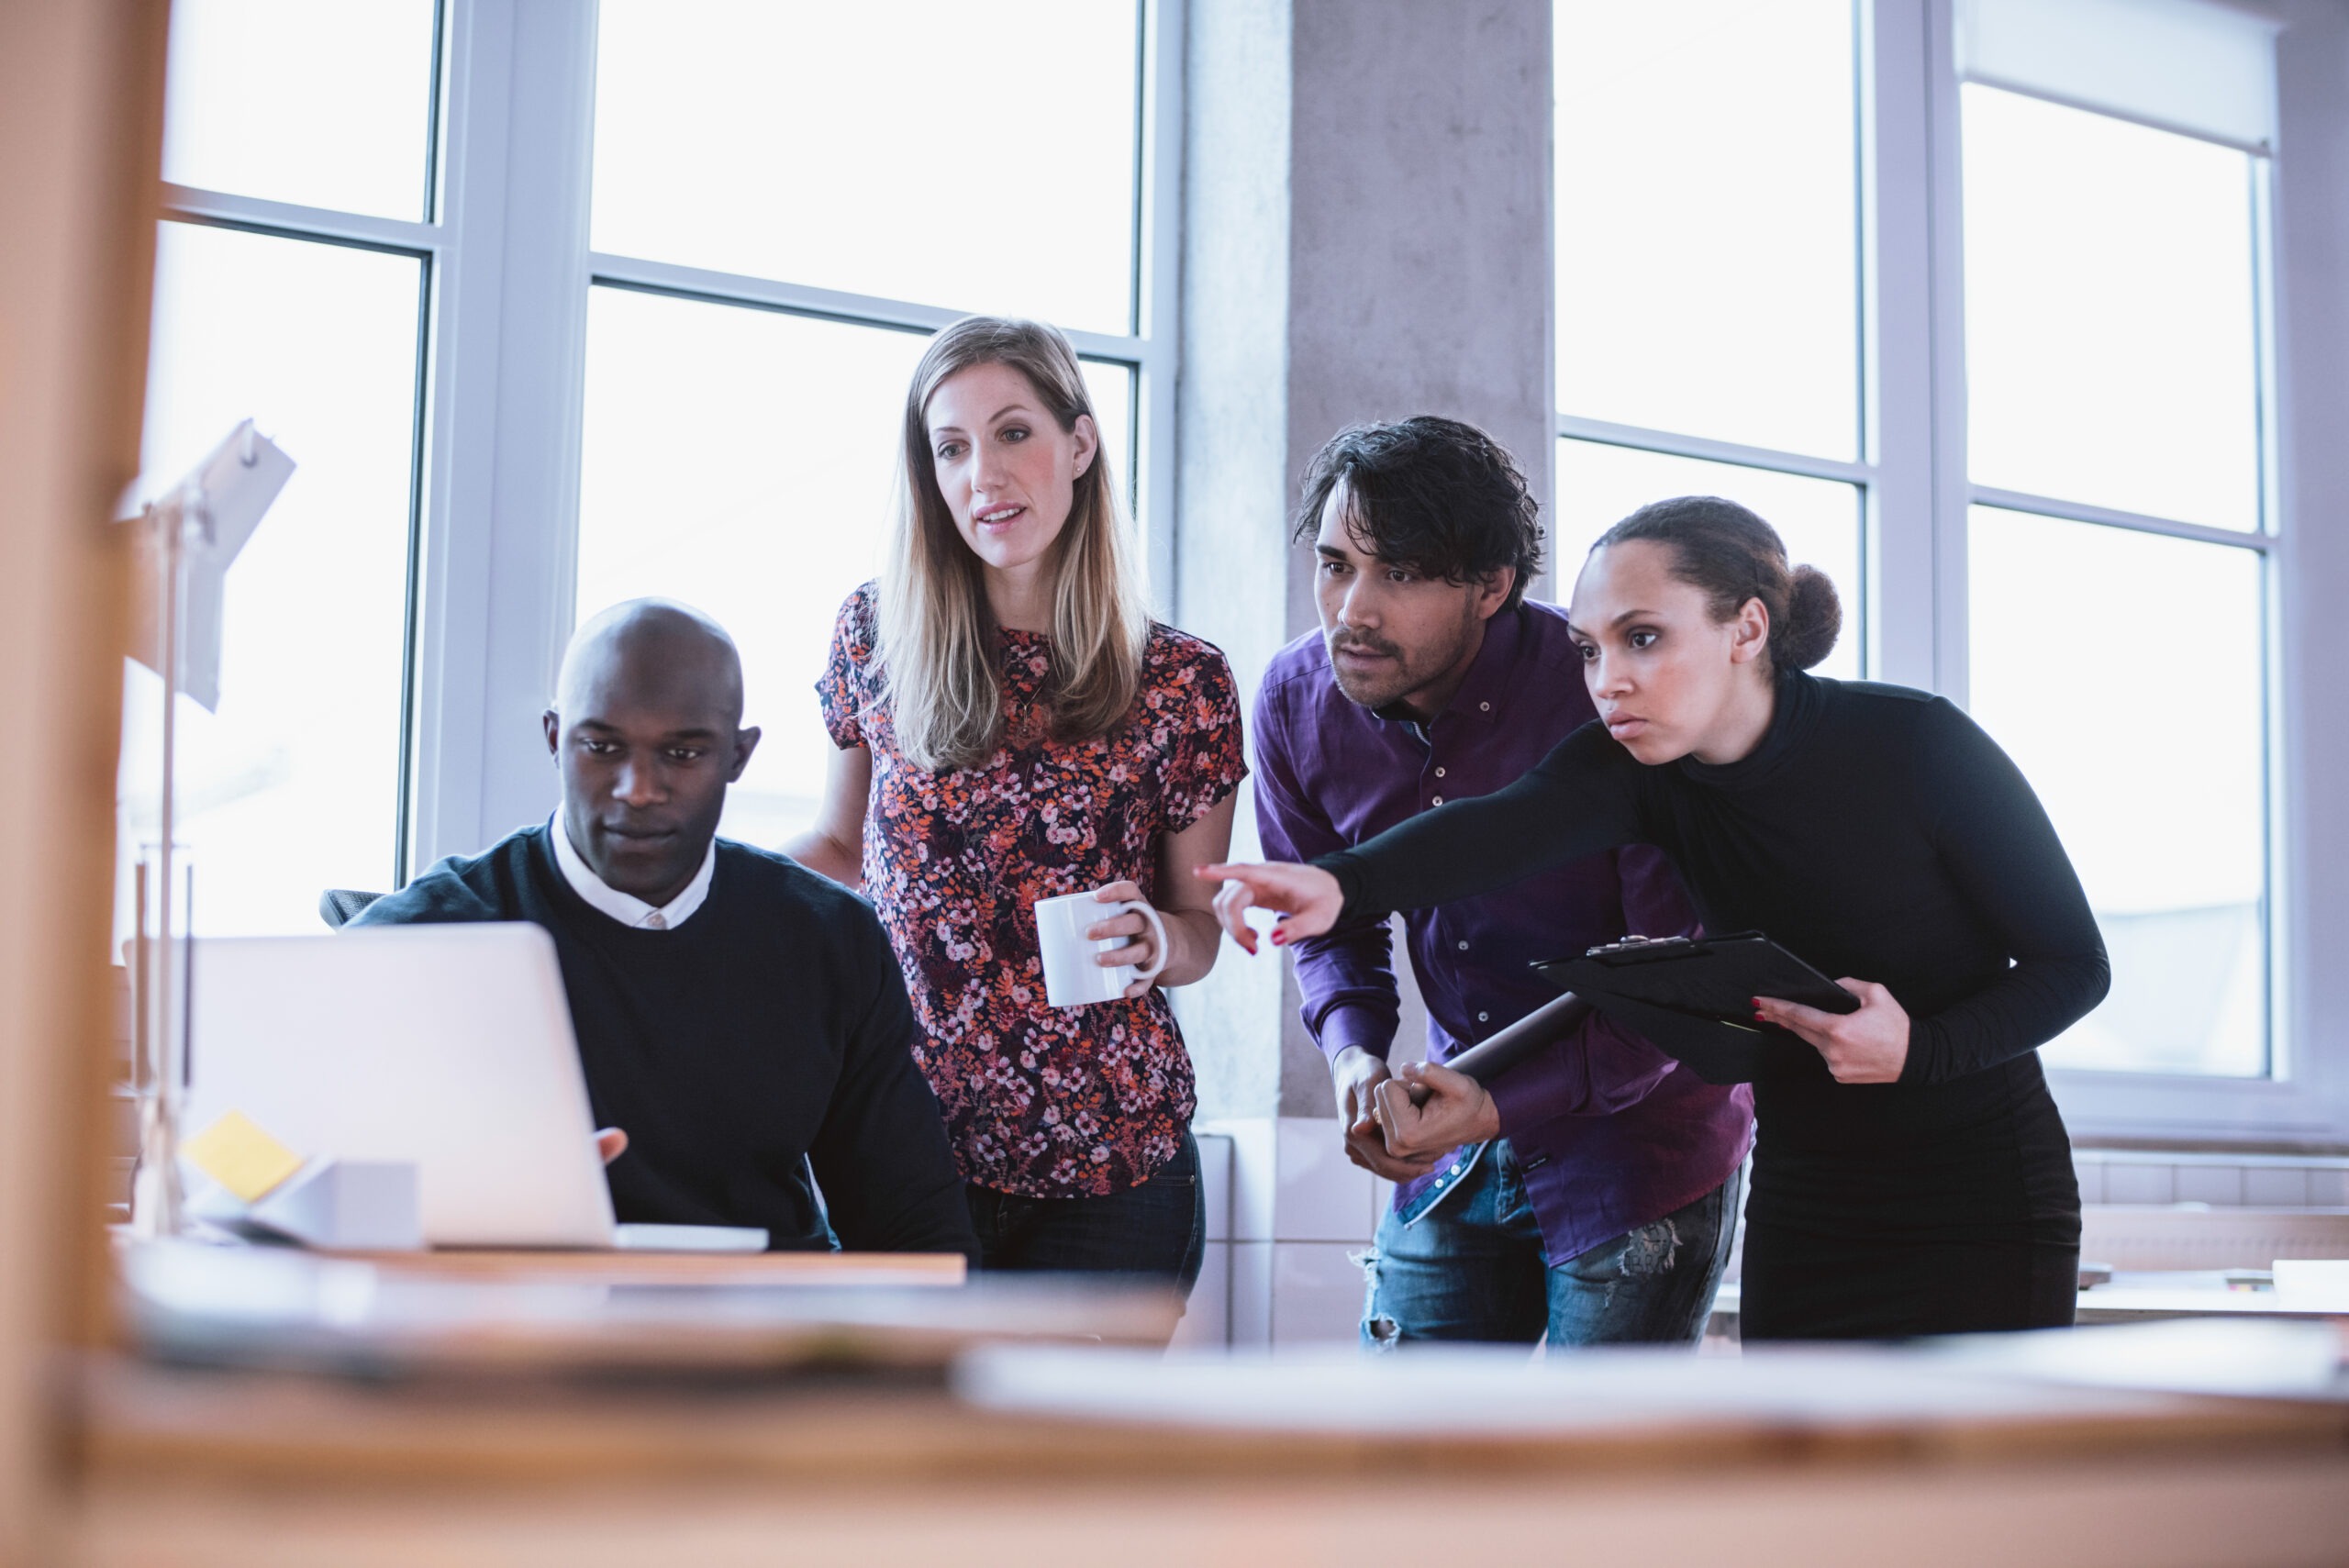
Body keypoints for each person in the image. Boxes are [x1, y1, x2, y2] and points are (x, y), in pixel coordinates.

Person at [1205, 496, 2109, 1341]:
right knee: (1812, 1500)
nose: (1610, 681)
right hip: (1809, 1195)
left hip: (1979, 1190)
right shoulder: (1634, 770)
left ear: (1745, 628)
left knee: (1979, 1506)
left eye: (1642, 639)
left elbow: (2074, 964)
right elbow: (1497, 827)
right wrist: (1337, 885)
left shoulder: (1916, 743)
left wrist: (1918, 1049)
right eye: (1591, 650)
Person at [1253, 417, 1753, 1349]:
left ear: (1490, 584)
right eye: (1333, 564)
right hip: (1452, 1136)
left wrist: (1491, 1104)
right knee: (1405, 1473)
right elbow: (1328, 917)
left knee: (1586, 1486)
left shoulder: (1610, 697)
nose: (1350, 609)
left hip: (1642, 1145)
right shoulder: (1294, 699)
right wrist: (1355, 1058)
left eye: (1398, 574)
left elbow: (1672, 980)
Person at [786, 316, 1245, 1294]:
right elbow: (835, 846)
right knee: (913, 1448)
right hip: (904, 1151)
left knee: (1065, 1454)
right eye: (949, 447)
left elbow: (1199, 924)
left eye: (1012, 433)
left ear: (1078, 445)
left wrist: (1159, 941)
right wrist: (701, 896)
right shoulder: (876, 632)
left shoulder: (1181, 679)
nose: (982, 475)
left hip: (1114, 1168)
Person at [354, 599, 977, 1261]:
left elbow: (917, 1236)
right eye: (601, 746)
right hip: (520, 1340)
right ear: (552, 737)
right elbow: (253, 1163)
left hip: (756, 1342)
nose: (638, 788)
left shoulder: (828, 940)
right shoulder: (423, 938)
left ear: (738, 756)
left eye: (682, 753)